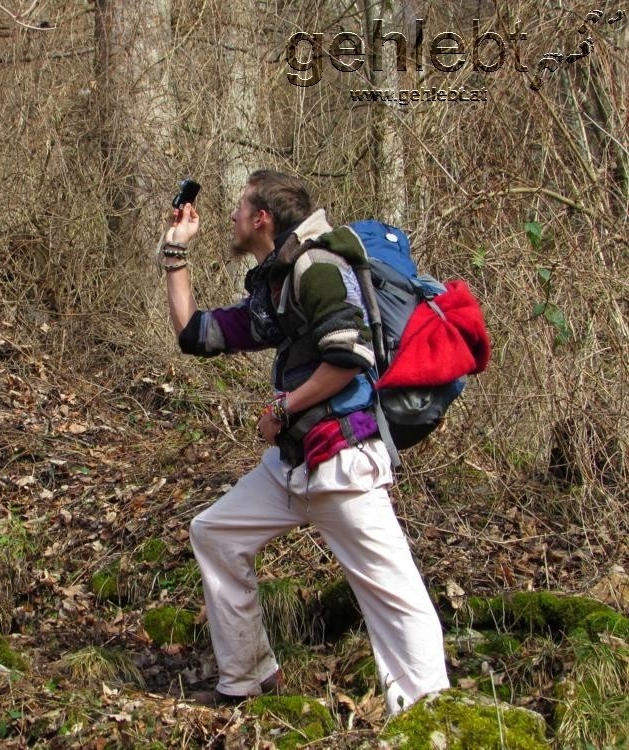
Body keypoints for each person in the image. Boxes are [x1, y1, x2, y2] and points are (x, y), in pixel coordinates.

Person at [159, 169, 449, 713]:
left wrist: (282, 407)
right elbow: (196, 334)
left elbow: (350, 357)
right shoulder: (278, 284)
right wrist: (175, 253)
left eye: (240, 208)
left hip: (344, 461)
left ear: (261, 218)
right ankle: (247, 678)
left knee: (394, 596)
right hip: (294, 466)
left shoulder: (317, 267)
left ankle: (429, 714)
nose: (232, 217)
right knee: (215, 533)